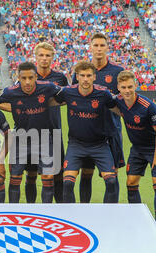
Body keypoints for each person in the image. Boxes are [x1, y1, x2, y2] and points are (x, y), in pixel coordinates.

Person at [0, 62, 63, 203]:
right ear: (18, 78)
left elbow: (67, 94)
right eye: (23, 78)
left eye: (31, 77)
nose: (27, 82)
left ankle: (46, 212)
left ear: (36, 77)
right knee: (16, 177)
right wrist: (6, 107)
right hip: (20, 138)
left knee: (48, 177)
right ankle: (14, 212)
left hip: (44, 137)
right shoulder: (10, 91)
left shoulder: (47, 87)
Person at [52, 61, 119, 204]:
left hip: (100, 145)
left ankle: (109, 217)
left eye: (89, 75)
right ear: (77, 76)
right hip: (76, 144)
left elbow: (118, 109)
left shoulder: (103, 93)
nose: (86, 79)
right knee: (68, 183)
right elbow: (50, 101)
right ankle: (72, 217)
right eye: (82, 75)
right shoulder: (68, 92)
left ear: (94, 77)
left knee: (112, 182)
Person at [72, 33, 125, 204]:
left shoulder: (117, 71)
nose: (99, 49)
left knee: (112, 176)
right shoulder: (81, 71)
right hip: (87, 132)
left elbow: (123, 101)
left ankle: (110, 215)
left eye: (102, 45)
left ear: (108, 47)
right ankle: (84, 213)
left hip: (111, 132)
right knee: (86, 174)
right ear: (91, 47)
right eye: (96, 45)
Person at [114, 71, 156, 228]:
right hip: (137, 148)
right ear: (118, 87)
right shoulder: (118, 101)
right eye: (123, 87)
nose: (127, 90)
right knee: (131, 182)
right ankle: (137, 221)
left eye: (130, 87)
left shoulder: (149, 107)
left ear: (135, 85)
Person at [31, 41, 68, 204]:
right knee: (31, 174)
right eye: (41, 55)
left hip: (54, 130)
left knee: (57, 172)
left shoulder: (59, 77)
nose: (44, 58)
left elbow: (68, 97)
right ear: (36, 57)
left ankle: (58, 210)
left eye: (47, 55)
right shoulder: (28, 76)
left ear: (53, 57)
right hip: (31, 132)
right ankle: (32, 211)